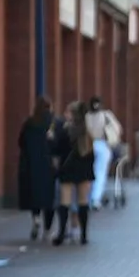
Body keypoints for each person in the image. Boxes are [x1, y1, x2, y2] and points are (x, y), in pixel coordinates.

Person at [51, 101, 96, 246]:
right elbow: (92, 155)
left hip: (68, 169)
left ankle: (62, 233)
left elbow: (57, 150)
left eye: (68, 112)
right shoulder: (87, 132)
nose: (66, 115)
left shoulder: (65, 131)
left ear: (73, 115)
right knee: (83, 202)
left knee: (65, 202)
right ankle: (83, 235)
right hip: (84, 169)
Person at [17, 96, 58, 240]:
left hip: (30, 165)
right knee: (49, 199)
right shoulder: (52, 123)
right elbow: (56, 144)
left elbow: (21, 142)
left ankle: (36, 219)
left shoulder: (29, 123)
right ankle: (47, 230)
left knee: (34, 195)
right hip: (48, 166)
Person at [85, 97, 122, 210]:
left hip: (88, 145)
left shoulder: (85, 117)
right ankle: (95, 199)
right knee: (100, 173)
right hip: (102, 145)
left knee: (87, 172)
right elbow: (118, 129)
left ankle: (86, 198)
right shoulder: (106, 115)